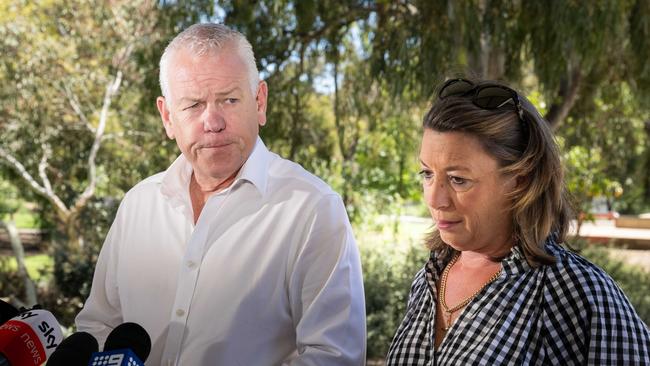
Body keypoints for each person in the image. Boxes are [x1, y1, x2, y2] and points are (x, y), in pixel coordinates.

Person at [76, 23, 366, 365]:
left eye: (229, 99)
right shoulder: (138, 204)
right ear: (168, 117)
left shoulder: (313, 210)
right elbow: (98, 327)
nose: (212, 122)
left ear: (259, 101)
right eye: (193, 105)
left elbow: (334, 357)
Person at [386, 78, 650, 365]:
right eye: (427, 174)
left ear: (520, 180)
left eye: (458, 179)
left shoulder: (578, 292)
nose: (435, 199)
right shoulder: (429, 279)